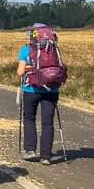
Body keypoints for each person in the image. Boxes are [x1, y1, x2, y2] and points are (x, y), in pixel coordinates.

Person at [17, 24, 61, 165]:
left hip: (31, 90)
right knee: (48, 123)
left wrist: (32, 68)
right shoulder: (54, 49)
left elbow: (20, 72)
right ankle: (46, 156)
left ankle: (30, 151)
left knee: (29, 119)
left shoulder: (26, 49)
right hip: (51, 90)